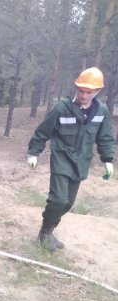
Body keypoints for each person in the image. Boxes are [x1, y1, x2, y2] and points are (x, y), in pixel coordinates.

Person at [27, 67, 115, 251]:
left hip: (81, 162)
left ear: (97, 91)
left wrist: (108, 160)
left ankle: (49, 231)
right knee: (58, 199)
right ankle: (44, 233)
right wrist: (34, 153)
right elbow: (43, 131)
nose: (83, 95)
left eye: (88, 92)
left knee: (68, 203)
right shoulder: (62, 108)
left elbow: (105, 137)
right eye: (80, 90)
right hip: (61, 158)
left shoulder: (102, 112)